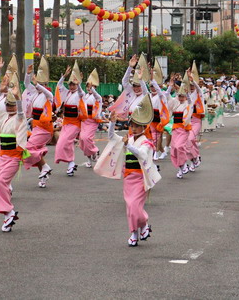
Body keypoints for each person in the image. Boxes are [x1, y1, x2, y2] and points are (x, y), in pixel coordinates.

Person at [95, 95, 161, 247]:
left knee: (134, 207)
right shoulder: (129, 139)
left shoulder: (146, 142)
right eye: (133, 126)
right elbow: (112, 137)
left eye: (137, 126)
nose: (134, 128)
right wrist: (112, 123)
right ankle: (136, 231)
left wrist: (129, 146)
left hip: (140, 179)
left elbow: (142, 155)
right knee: (130, 208)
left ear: (143, 127)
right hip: (128, 179)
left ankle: (141, 226)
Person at [0, 72, 29, 232]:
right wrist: (1, 90)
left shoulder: (19, 118)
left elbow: (20, 111)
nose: (8, 107)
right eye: (7, 104)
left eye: (11, 105)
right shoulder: (4, 116)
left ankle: (9, 211)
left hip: (13, 158)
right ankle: (8, 215)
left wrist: (18, 98)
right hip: (3, 156)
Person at [23, 58, 55, 187]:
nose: (38, 84)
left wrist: (37, 84)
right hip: (36, 127)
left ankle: (46, 166)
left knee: (28, 148)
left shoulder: (49, 95)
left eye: (42, 82)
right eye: (38, 82)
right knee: (36, 151)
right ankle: (43, 176)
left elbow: (45, 90)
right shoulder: (35, 93)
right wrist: (28, 73)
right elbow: (26, 84)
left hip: (45, 129)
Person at [54, 60, 88, 176]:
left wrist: (79, 83)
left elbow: (81, 92)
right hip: (66, 122)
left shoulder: (79, 94)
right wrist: (64, 76)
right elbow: (59, 86)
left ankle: (71, 162)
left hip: (75, 123)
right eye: (71, 84)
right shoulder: (67, 93)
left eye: (73, 84)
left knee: (64, 142)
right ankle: (71, 163)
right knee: (63, 143)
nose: (71, 86)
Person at [80, 68, 103, 168]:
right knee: (82, 140)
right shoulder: (84, 96)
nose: (89, 88)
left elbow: (97, 96)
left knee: (87, 138)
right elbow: (79, 91)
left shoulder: (97, 97)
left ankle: (95, 151)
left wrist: (92, 88)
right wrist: (80, 82)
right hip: (84, 120)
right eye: (88, 86)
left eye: (91, 86)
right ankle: (89, 158)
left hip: (92, 121)